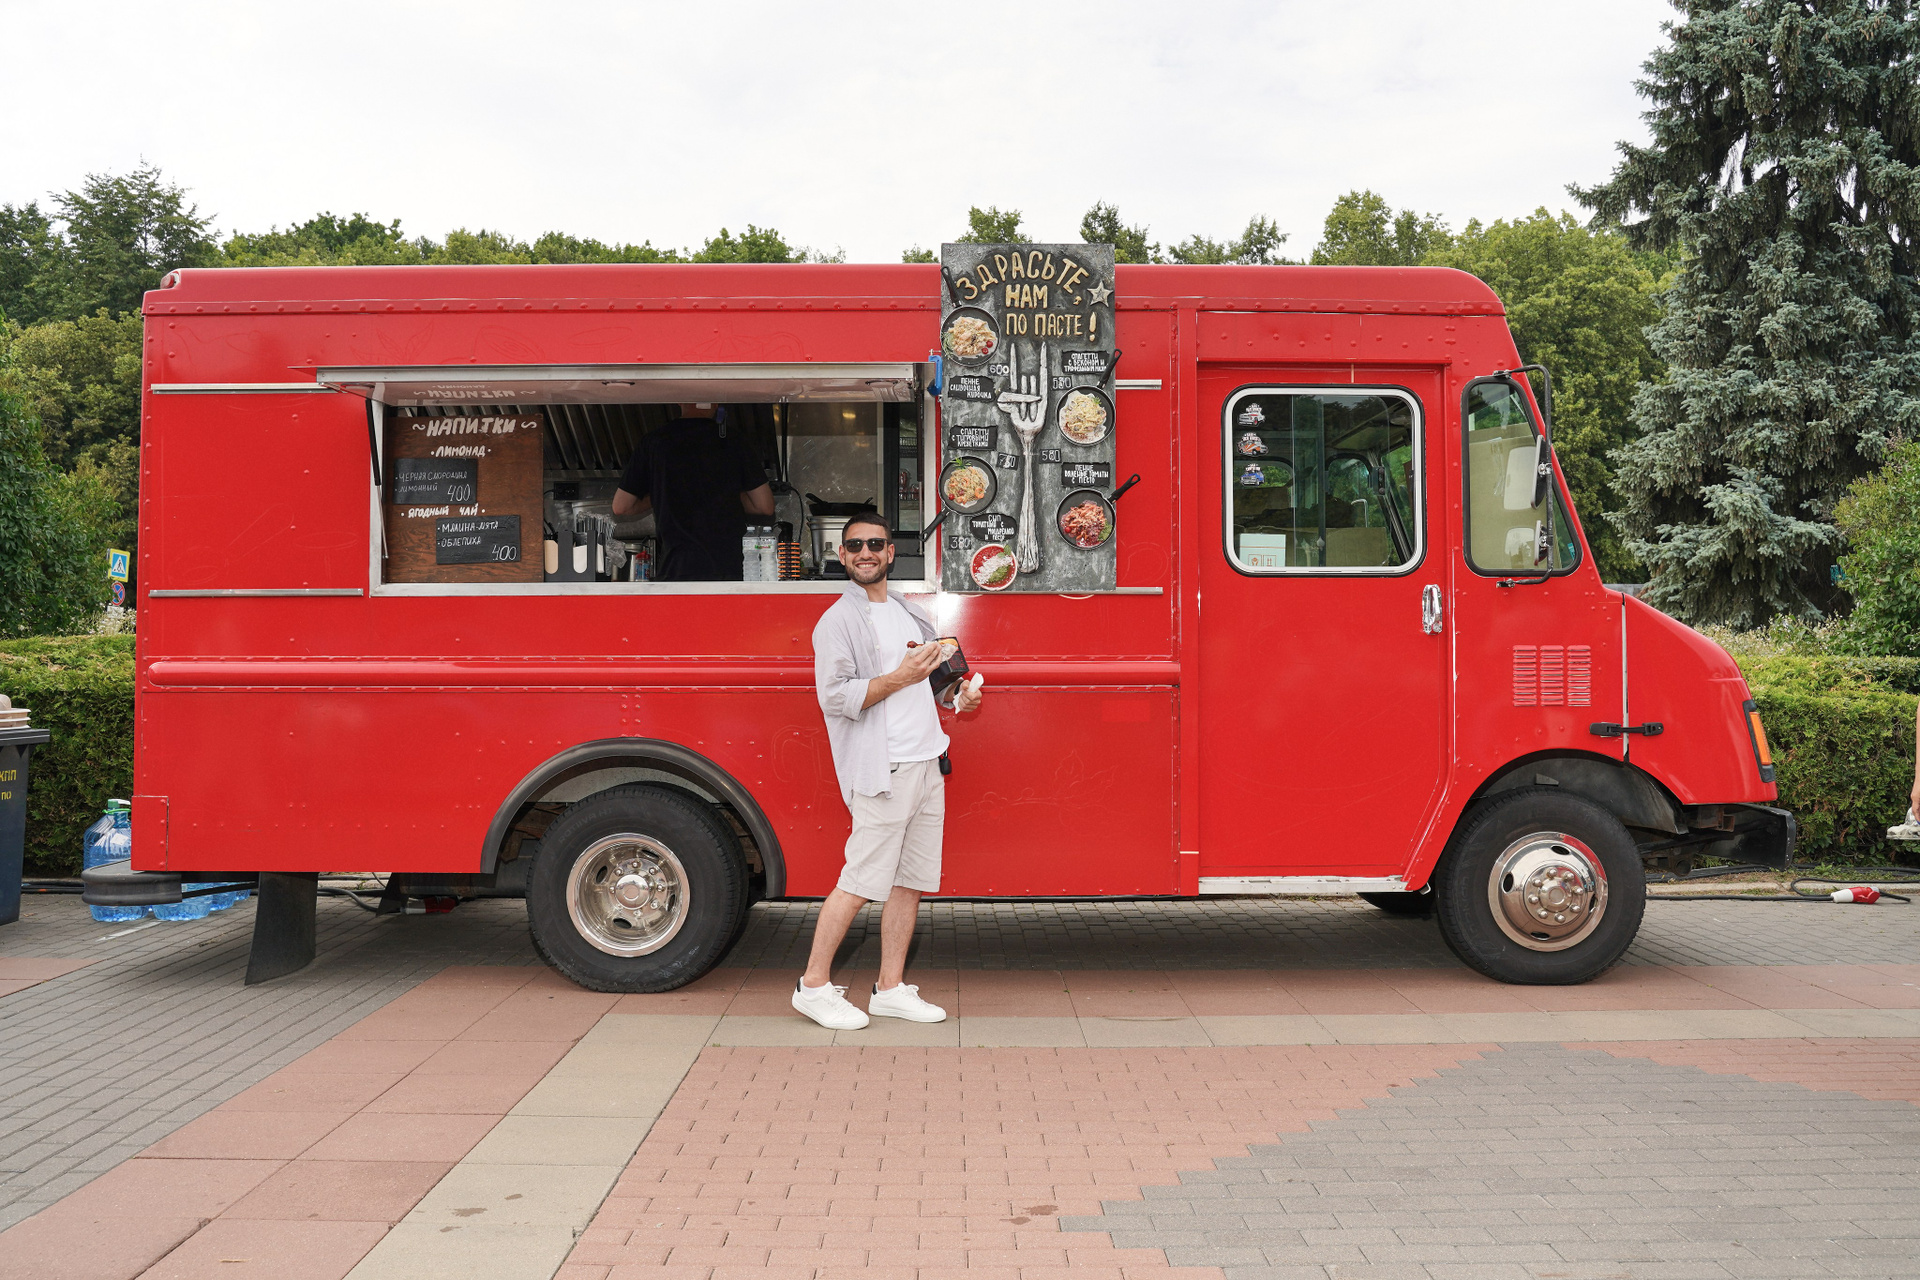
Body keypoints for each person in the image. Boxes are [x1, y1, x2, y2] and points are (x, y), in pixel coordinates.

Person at [795, 512, 985, 1029]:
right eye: (855, 545)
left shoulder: (909, 613)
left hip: (927, 764)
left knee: (909, 883)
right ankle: (813, 986)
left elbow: (938, 684)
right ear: (841, 555)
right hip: (884, 771)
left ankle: (890, 988)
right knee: (859, 881)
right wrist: (899, 677)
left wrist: (959, 697)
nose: (866, 553)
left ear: (890, 552)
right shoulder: (836, 621)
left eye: (875, 544)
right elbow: (835, 697)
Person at [611, 404, 775, 581]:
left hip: (676, 569)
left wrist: (665, 491)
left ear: (679, 401)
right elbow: (764, 507)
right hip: (728, 570)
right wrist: (725, 490)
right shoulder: (733, 439)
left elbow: (621, 506)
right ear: (716, 402)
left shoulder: (654, 442)